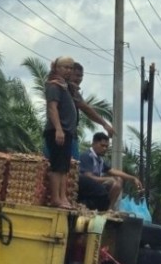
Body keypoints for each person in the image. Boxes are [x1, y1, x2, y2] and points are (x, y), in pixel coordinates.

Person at [44, 56, 78, 209]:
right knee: (57, 166)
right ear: (57, 68)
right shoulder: (54, 85)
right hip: (58, 131)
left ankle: (63, 197)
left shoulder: (66, 86)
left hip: (67, 132)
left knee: (64, 167)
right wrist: (58, 128)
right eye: (65, 67)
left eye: (71, 68)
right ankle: (56, 198)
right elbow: (52, 108)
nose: (68, 70)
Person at [78, 132, 142, 211]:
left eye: (106, 146)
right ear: (93, 144)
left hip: (95, 187)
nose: (105, 148)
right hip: (84, 189)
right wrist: (107, 179)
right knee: (112, 181)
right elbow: (87, 177)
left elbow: (113, 171)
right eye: (102, 145)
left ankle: (109, 208)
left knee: (118, 180)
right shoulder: (87, 156)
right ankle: (104, 208)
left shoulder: (100, 159)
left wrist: (132, 178)